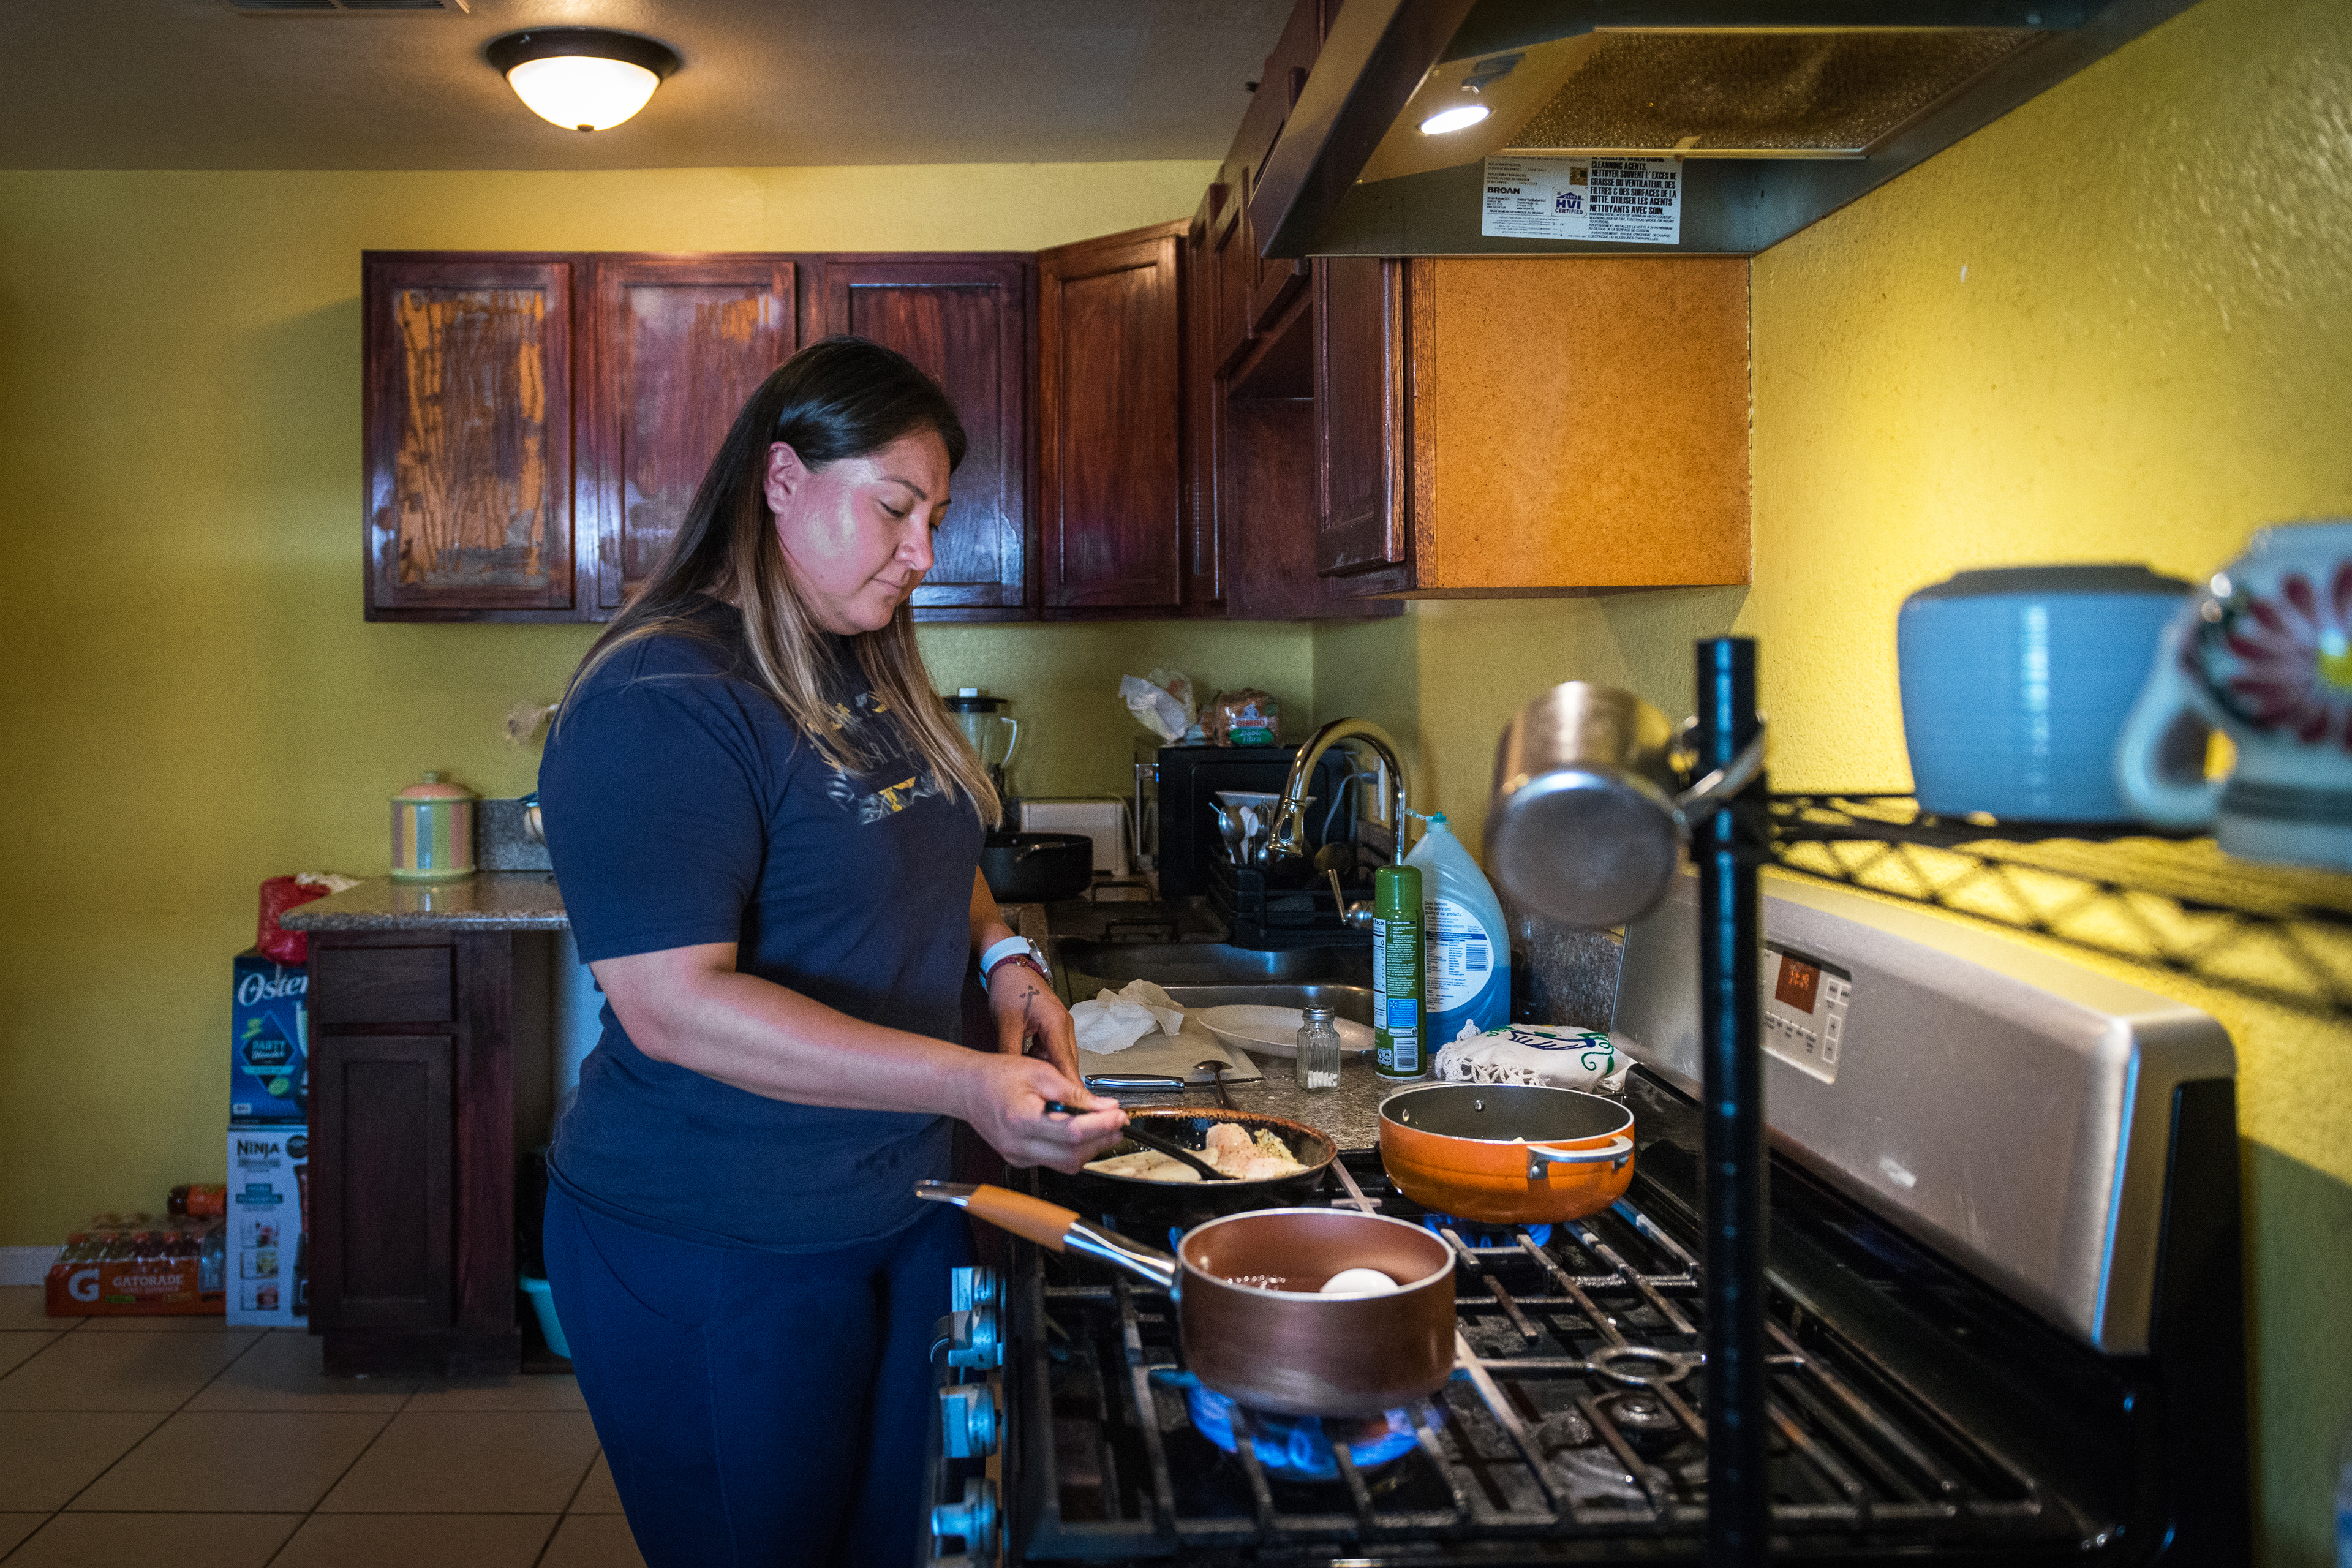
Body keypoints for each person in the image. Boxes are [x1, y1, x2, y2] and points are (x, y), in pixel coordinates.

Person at [535, 336, 1129, 1567]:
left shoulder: (857, 664)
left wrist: (1005, 956)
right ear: (784, 479)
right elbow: (675, 1007)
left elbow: (926, 842)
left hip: (901, 1206)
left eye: (935, 517)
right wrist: (966, 1079)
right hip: (717, 1238)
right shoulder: (665, 696)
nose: (923, 551)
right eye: (896, 508)